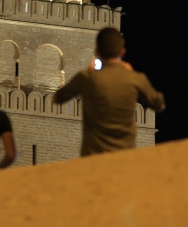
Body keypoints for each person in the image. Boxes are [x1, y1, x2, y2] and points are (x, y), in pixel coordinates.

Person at [53, 27, 165, 156]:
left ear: (97, 52)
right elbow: (159, 104)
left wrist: (90, 70)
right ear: (122, 52)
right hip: (124, 157)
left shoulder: (87, 77)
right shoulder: (135, 79)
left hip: (93, 158)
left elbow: (56, 98)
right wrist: (130, 73)